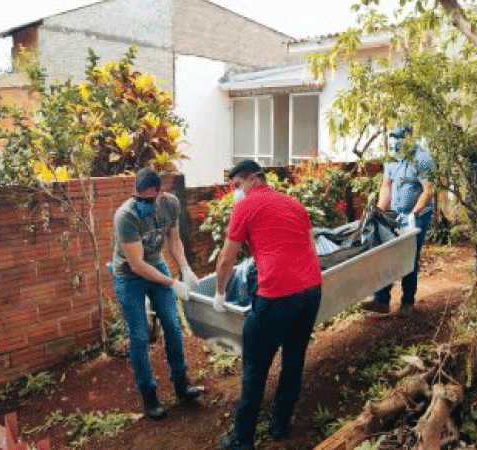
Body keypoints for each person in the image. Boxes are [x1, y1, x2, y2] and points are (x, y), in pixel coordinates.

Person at [214, 160, 322, 450]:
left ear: (250, 179)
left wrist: (220, 293)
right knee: (294, 358)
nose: (235, 192)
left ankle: (242, 437)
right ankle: (279, 425)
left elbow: (226, 259)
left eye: (236, 186)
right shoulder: (293, 202)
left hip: (278, 295)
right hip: (311, 290)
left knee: (254, 364)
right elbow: (312, 247)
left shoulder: (245, 207)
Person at [111, 168, 202, 420]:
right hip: (129, 277)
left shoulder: (170, 204)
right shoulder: (126, 216)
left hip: (156, 266)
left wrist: (184, 267)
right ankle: (149, 395)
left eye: (149, 200)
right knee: (140, 337)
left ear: (159, 194)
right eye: (139, 199)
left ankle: (182, 384)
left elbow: (174, 240)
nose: (143, 205)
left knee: (173, 326)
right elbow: (137, 264)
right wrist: (172, 282)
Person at [361, 125, 435, 317]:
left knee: (408, 255)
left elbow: (428, 190)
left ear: (410, 138)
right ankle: (381, 299)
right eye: (393, 138)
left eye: (400, 138)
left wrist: (414, 214)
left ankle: (407, 302)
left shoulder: (423, 159)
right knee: (385, 251)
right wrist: (379, 212)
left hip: (419, 214)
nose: (396, 142)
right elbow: (386, 186)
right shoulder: (392, 158)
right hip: (395, 213)